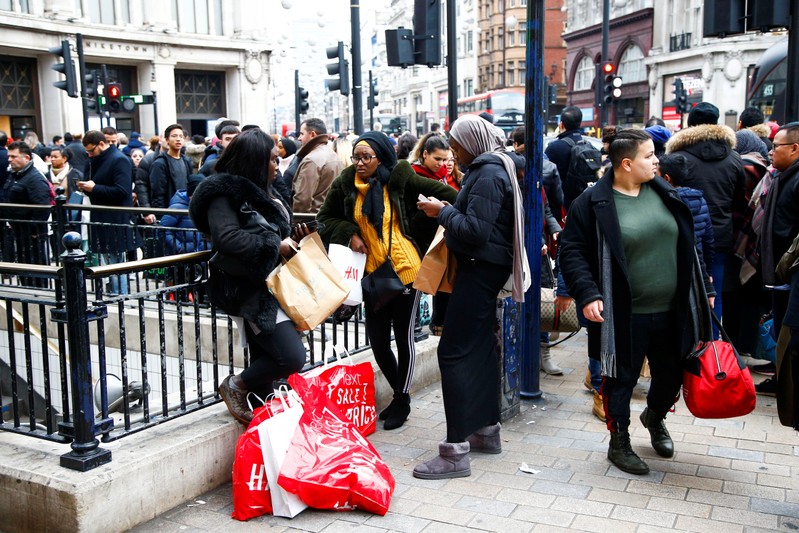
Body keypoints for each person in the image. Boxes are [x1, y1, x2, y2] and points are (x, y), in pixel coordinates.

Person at [560, 128, 715, 475]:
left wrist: (705, 288)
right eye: (649, 155)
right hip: (623, 314)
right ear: (626, 164)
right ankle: (619, 442)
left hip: (673, 309)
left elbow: (688, 245)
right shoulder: (593, 202)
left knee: (671, 376)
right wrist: (587, 293)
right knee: (621, 380)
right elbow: (572, 251)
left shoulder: (664, 191)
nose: (657, 160)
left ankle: (655, 417)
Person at [317, 131, 457, 431]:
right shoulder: (345, 183)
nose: (359, 163)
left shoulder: (401, 177)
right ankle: (399, 394)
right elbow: (324, 218)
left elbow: (452, 196)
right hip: (371, 276)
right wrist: (348, 233)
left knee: (403, 339)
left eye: (366, 157)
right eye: (356, 157)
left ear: (381, 156)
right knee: (378, 342)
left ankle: (402, 399)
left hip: (406, 270)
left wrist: (429, 221)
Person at [413, 114, 524, 479]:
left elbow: (475, 231)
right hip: (484, 268)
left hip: (480, 269)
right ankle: (486, 431)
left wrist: (441, 211)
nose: (453, 154)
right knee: (478, 348)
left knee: (454, 352)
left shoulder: (488, 172)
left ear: (472, 142)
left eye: (457, 146)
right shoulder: (492, 167)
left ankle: (455, 451)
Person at [189, 128, 307, 424]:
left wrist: (294, 237)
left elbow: (272, 229)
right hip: (250, 288)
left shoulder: (268, 188)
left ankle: (262, 425)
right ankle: (235, 385)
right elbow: (228, 239)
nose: (276, 164)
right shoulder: (223, 192)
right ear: (254, 160)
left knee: (266, 361)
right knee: (291, 357)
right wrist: (275, 245)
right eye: (271, 159)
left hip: (275, 282)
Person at [665, 102, 746, 338]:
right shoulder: (733, 158)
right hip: (720, 235)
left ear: (690, 123)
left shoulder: (677, 156)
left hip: (681, 235)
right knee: (714, 294)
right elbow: (739, 201)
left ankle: (685, 347)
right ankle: (712, 350)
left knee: (680, 293)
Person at [757, 122, 799, 395]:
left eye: (776, 147)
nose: (771, 152)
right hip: (779, 272)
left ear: (795, 149)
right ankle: (781, 378)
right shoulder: (783, 176)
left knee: (788, 330)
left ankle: (787, 383)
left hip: (791, 275)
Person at [80, 130, 137, 294]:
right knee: (109, 262)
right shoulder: (96, 160)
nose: (90, 155)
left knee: (116, 262)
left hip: (115, 218)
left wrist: (94, 188)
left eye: (92, 150)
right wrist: (88, 188)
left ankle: (121, 297)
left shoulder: (119, 160)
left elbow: (122, 191)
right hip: (102, 217)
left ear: (102, 144)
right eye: (88, 152)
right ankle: (116, 294)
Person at [4, 141, 52, 283]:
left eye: (14, 156)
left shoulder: (34, 178)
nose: (9, 159)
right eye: (9, 156)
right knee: (24, 264)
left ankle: (38, 290)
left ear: (26, 158)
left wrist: (34, 229)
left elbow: (43, 207)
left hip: (31, 232)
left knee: (35, 265)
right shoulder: (15, 175)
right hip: (19, 229)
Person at [292, 118, 343, 214]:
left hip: (314, 222)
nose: (299, 138)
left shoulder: (311, 160)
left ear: (312, 134)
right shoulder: (333, 155)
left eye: (302, 134)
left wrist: (297, 223)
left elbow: (302, 199)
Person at [544, 105, 585, 210]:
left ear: (561, 124)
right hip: (583, 204)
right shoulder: (588, 145)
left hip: (561, 206)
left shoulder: (554, 147)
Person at [148, 124, 193, 211]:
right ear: (167, 139)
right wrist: (161, 215)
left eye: (181, 136)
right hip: (169, 210)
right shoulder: (160, 163)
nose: (178, 139)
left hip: (185, 209)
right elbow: (157, 194)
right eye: (174, 136)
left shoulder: (186, 161)